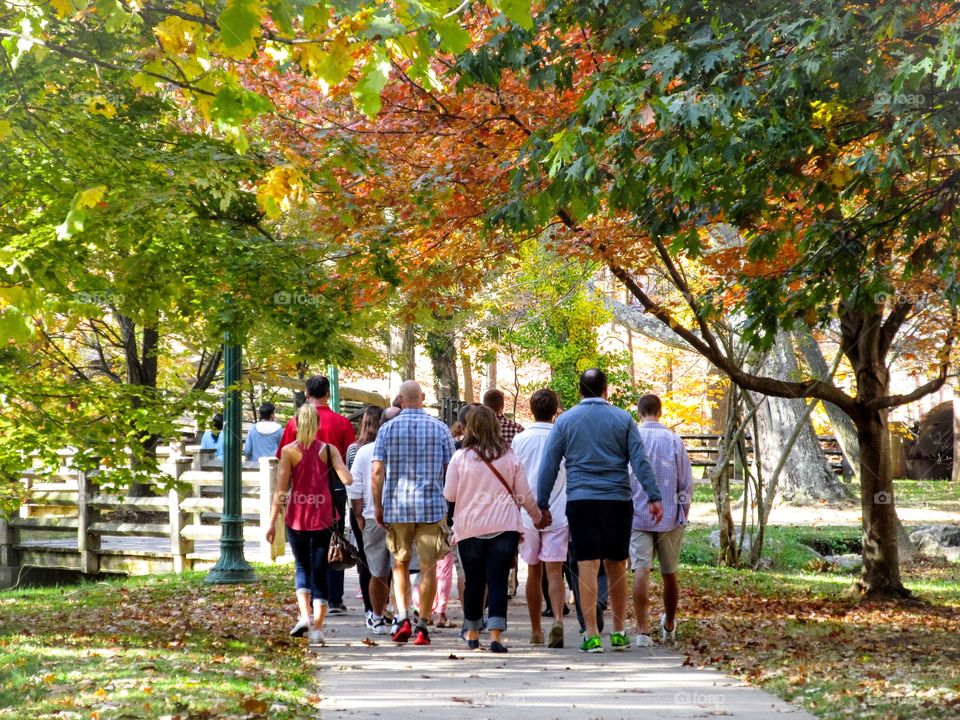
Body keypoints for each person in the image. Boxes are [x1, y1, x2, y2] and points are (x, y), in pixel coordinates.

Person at [537, 368, 664, 653]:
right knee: (617, 565)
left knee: (587, 565)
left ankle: (592, 635)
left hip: (581, 501)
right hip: (617, 501)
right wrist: (654, 496)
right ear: (606, 390)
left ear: (579, 391)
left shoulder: (565, 421)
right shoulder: (623, 418)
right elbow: (640, 460)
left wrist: (542, 503)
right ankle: (618, 632)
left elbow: (549, 464)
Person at [445, 405, 546, 653]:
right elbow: (524, 494)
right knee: (498, 580)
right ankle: (496, 636)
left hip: (469, 528)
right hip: (505, 527)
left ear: (470, 427)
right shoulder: (510, 457)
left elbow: (450, 494)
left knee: (474, 581)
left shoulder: (460, 458)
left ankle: (471, 632)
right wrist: (537, 517)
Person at [372, 380, 456, 646]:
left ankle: (402, 617)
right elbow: (451, 469)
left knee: (400, 563)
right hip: (431, 507)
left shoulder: (387, 429)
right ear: (423, 397)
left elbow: (377, 471)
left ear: (400, 399)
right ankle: (423, 625)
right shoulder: (440, 428)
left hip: (398, 507)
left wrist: (378, 506)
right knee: (429, 567)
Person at [266, 403, 353, 647]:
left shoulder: (288, 451)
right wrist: (339, 470)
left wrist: (272, 523)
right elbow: (348, 479)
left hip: (297, 517)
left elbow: (281, 490)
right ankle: (317, 629)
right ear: (316, 424)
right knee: (320, 570)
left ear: (296, 425)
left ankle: (305, 616)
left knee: (302, 567)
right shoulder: (329, 450)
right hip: (323, 517)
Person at [276, 375, 356, 615]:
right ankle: (333, 598)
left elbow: (282, 458)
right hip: (333, 490)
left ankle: (309, 598)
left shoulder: (294, 423)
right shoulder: (342, 422)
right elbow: (349, 457)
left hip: (302, 496)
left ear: (306, 393)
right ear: (328, 394)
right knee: (334, 541)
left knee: (304, 553)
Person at [631, 393, 692, 647]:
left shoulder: (632, 438)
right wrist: (683, 512)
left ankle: (642, 630)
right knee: (669, 573)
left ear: (639, 413)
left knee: (640, 570)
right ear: (660, 412)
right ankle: (669, 624)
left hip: (637, 514)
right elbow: (685, 483)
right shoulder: (674, 440)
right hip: (669, 515)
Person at [512, 389, 568, 648]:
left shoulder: (520, 440)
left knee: (533, 570)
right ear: (555, 411)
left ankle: (536, 629)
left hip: (528, 512)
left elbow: (514, 476)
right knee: (555, 571)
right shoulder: (563, 436)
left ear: (531, 410)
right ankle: (558, 619)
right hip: (558, 510)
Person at [347, 405, 394, 634]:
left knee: (375, 568)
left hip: (371, 516)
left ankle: (376, 615)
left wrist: (358, 515)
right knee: (399, 569)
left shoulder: (363, 451)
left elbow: (354, 486)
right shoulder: (400, 449)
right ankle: (395, 614)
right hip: (400, 516)